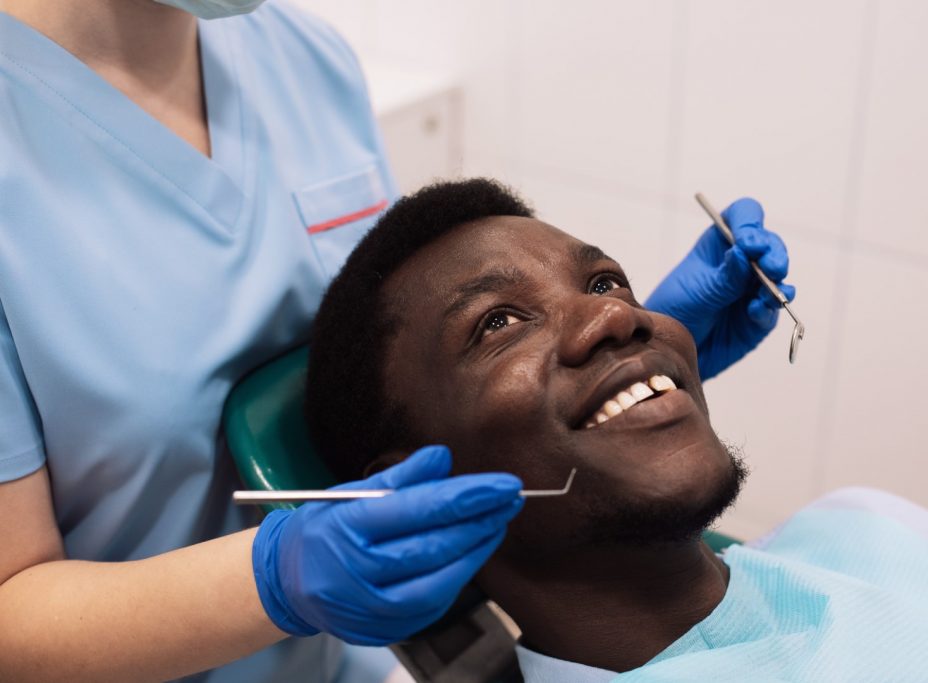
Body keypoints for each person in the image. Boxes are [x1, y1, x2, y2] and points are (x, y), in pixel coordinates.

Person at [0, 1, 796, 681]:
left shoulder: (301, 59)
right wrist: (274, 579)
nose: (613, 312)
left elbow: (398, 381)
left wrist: (625, 375)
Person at [306, 178, 928, 682]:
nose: (620, 316)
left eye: (603, 282)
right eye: (499, 322)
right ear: (414, 490)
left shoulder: (867, 528)